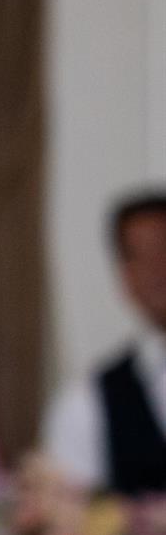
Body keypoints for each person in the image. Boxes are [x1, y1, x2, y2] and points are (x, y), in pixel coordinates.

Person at [45, 190, 166, 493]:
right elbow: (67, 507)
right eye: (140, 256)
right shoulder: (88, 400)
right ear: (125, 275)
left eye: (164, 249)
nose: (158, 269)